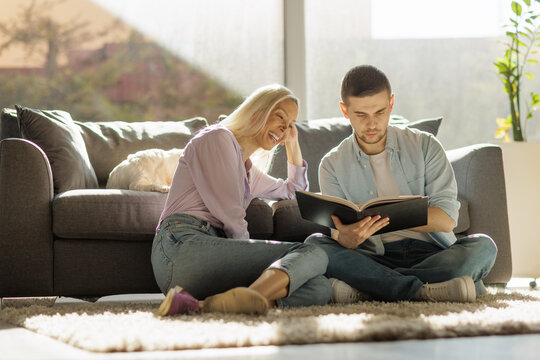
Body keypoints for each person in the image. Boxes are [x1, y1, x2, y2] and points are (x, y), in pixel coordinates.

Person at [305, 65, 497, 303]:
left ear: (392, 103)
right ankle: (425, 289)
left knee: (483, 247)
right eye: (361, 115)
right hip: (374, 257)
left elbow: (446, 218)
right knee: (316, 245)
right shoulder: (331, 164)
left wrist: (393, 216)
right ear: (345, 110)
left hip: (432, 253)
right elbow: (339, 233)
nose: (372, 124)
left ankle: (372, 288)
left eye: (379, 112)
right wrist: (346, 238)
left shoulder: (425, 145)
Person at [151, 84, 332, 316]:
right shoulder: (217, 138)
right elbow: (232, 215)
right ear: (258, 111)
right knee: (312, 252)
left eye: (289, 125)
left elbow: (293, 192)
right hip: (181, 249)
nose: (284, 129)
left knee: (318, 287)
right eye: (280, 118)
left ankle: (208, 305)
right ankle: (251, 296)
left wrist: (292, 142)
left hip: (212, 255)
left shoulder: (247, 170)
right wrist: (249, 253)